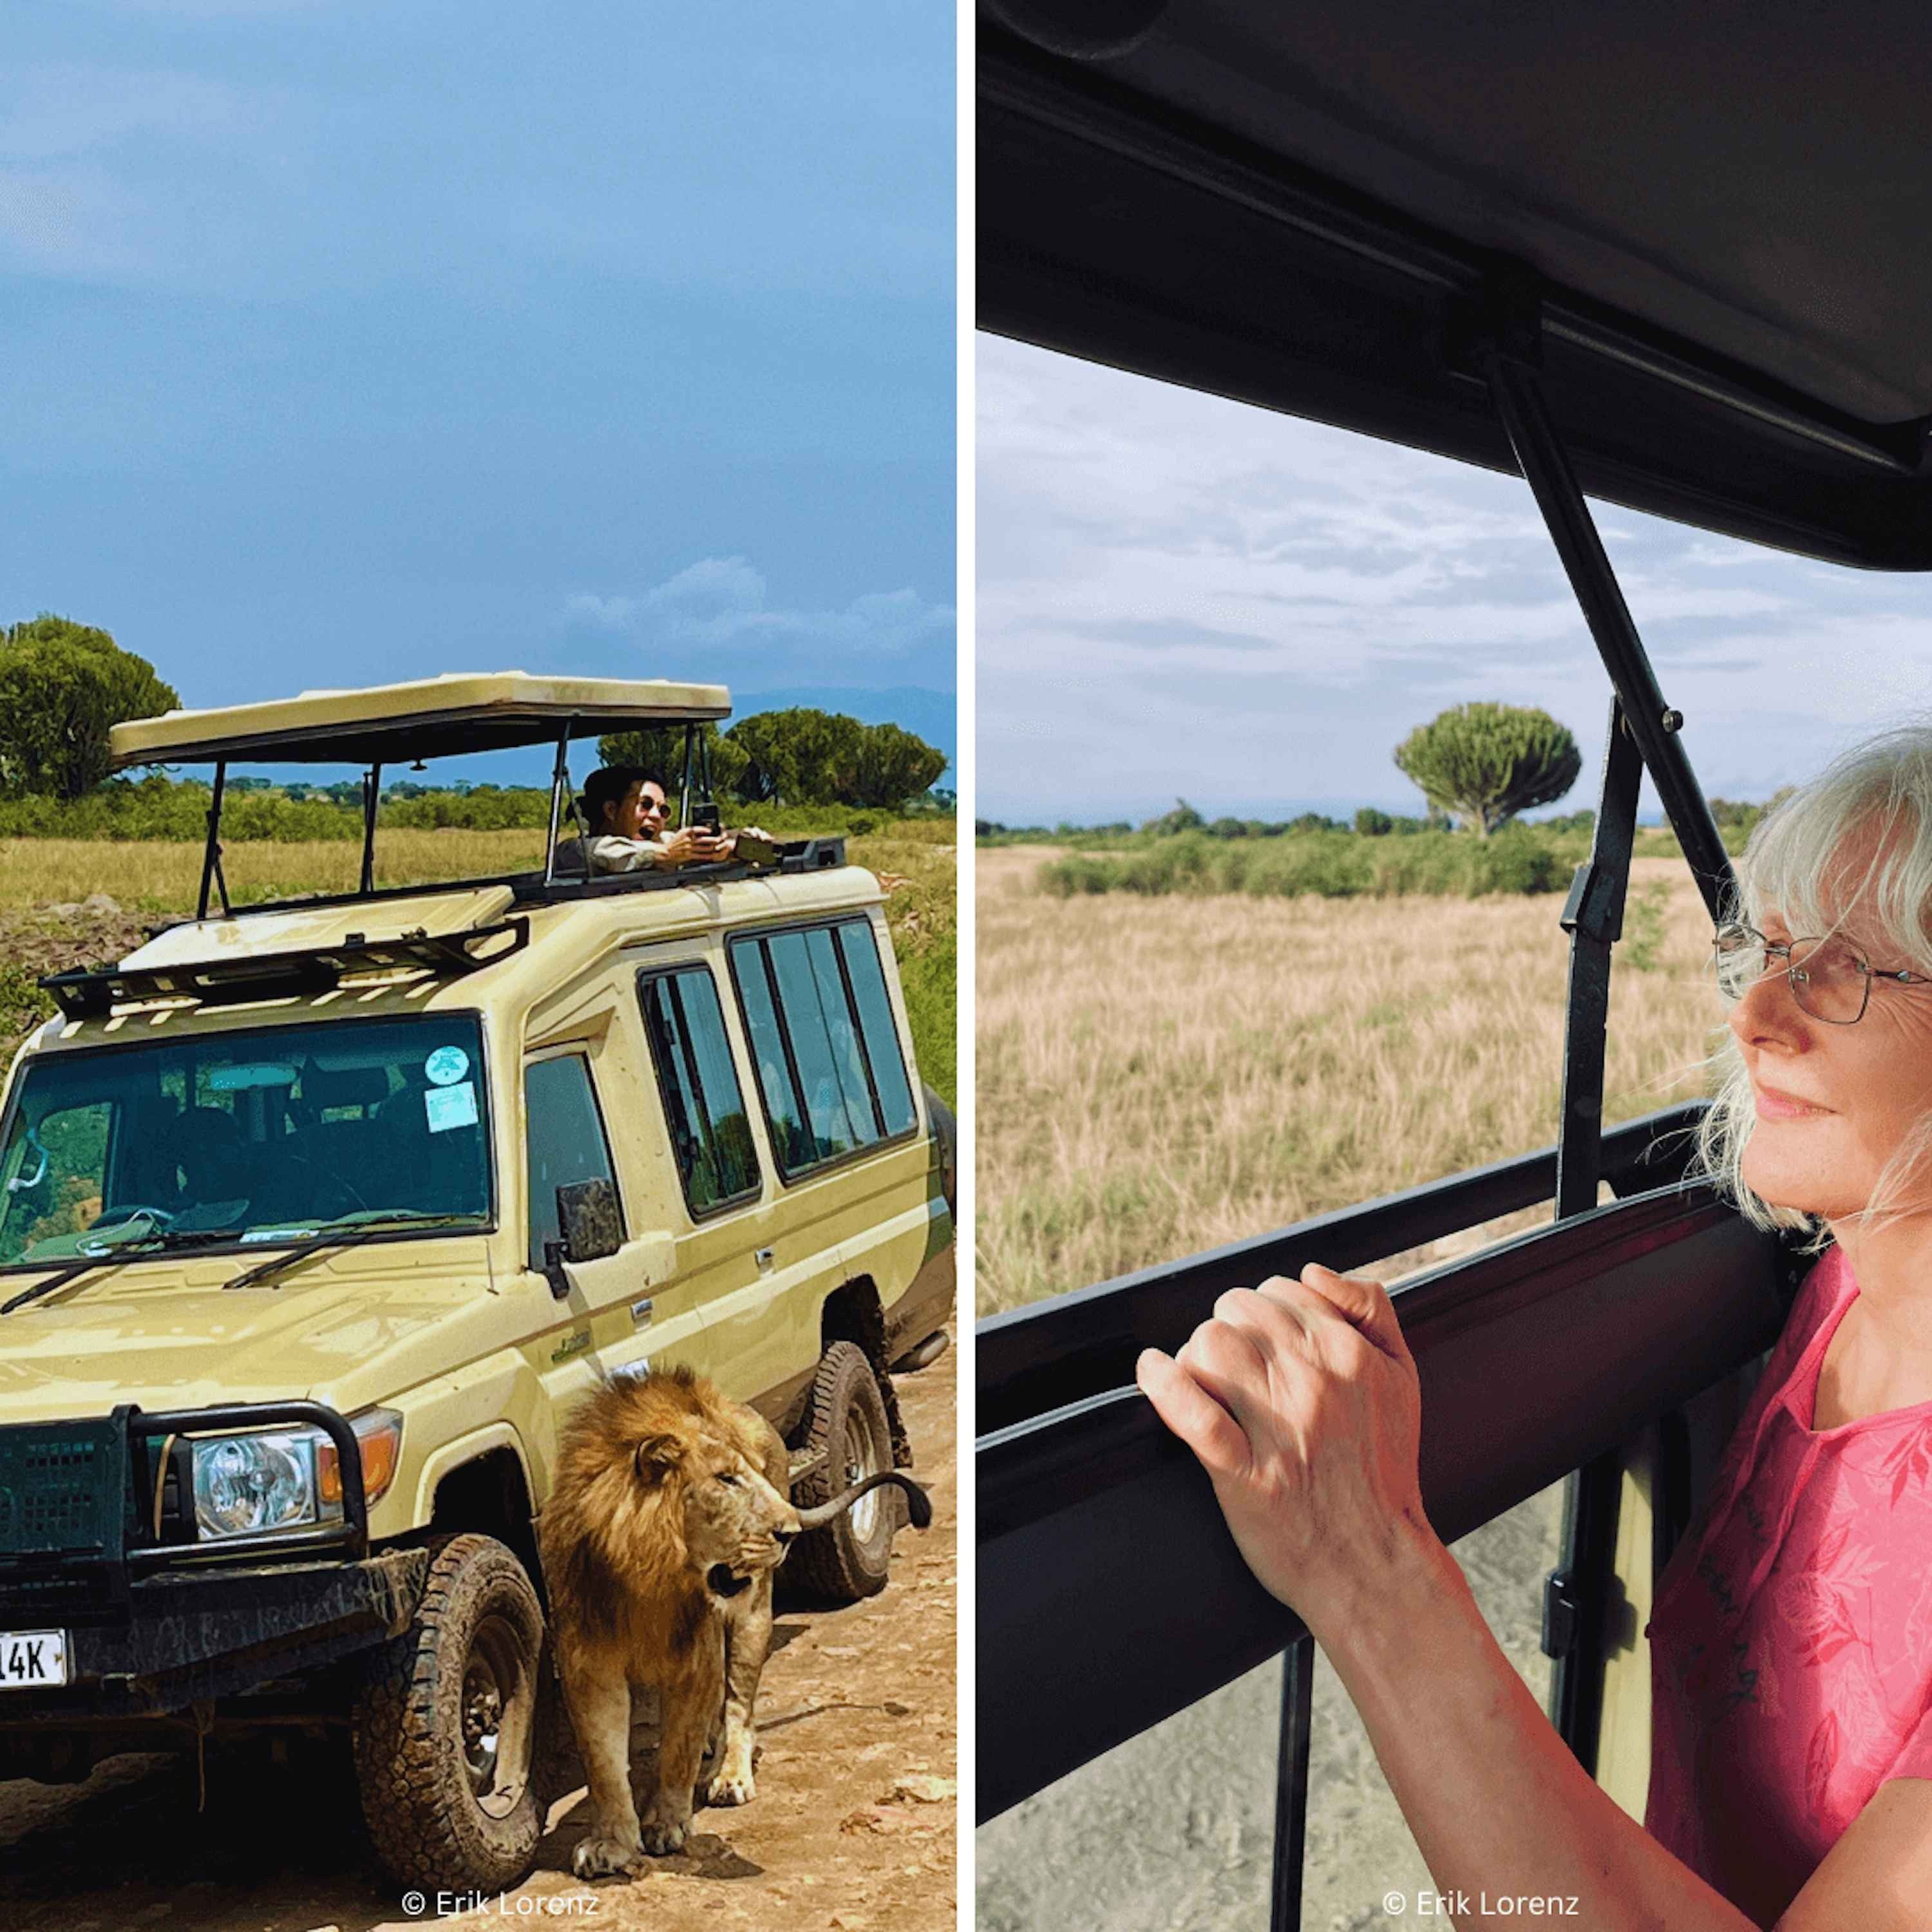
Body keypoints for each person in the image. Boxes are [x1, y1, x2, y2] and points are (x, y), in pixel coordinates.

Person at [1138, 724, 1932, 1930]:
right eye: (1763, 952)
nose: (1755, 1016)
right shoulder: (1841, 1290)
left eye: (1841, 969)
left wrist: (1367, 1565)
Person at [555, 765, 743, 875]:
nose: (656, 815)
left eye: (663, 810)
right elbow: (614, 854)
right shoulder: (575, 851)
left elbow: (682, 843)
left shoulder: (663, 842)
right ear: (611, 810)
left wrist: (731, 846)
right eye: (645, 805)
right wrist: (667, 855)